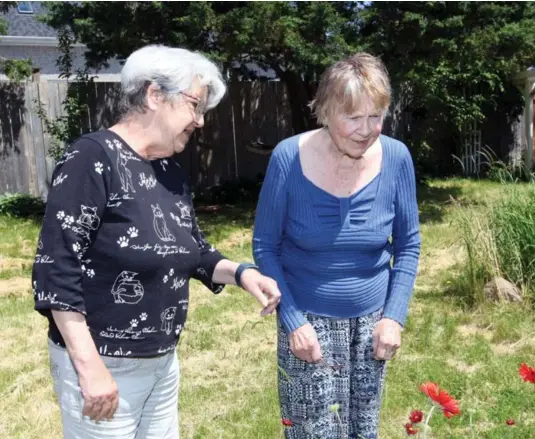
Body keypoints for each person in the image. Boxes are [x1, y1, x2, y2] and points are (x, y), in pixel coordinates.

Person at [32, 44, 281, 439]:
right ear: (154, 95)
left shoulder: (168, 169)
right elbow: (56, 269)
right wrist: (90, 368)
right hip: (104, 363)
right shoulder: (92, 158)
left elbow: (192, 250)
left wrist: (243, 274)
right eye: (195, 106)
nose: (199, 121)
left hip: (161, 361)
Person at [253, 53, 421, 439]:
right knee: (310, 430)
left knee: (363, 429)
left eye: (375, 116)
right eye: (353, 118)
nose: (366, 130)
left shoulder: (396, 159)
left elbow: (408, 244)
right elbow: (265, 246)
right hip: (306, 320)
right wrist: (293, 321)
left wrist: (393, 317)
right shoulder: (287, 158)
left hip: (372, 326)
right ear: (326, 112)